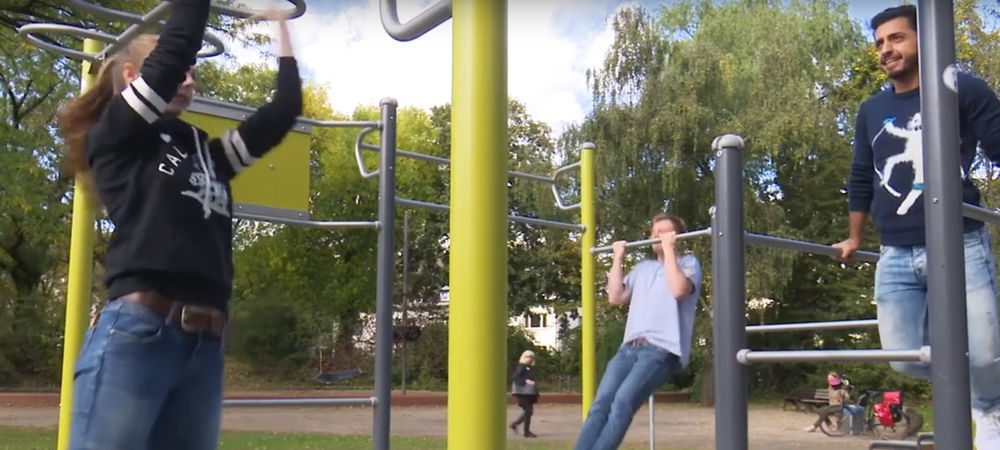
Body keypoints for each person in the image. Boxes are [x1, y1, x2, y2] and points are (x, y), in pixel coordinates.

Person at [56, 1, 302, 448]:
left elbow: (283, 112)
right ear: (132, 77)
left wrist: (281, 28)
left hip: (204, 350)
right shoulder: (117, 136)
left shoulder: (207, 152)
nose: (189, 79)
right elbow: (173, 54)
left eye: (194, 72)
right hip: (139, 332)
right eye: (180, 71)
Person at [833, 5, 1000, 448]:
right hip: (895, 250)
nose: (887, 50)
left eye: (897, 38)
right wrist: (854, 237)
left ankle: (989, 409)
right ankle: (968, 390)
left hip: (959, 239)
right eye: (880, 43)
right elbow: (861, 176)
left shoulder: (961, 89)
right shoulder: (872, 109)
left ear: (923, 39)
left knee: (986, 353)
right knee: (903, 357)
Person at [574, 213, 702, 450]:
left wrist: (670, 251)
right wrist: (618, 259)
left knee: (622, 402)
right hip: (629, 347)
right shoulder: (643, 268)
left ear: (676, 237)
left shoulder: (688, 264)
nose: (657, 236)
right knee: (600, 405)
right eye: (655, 232)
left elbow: (678, 290)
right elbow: (615, 297)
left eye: (664, 231)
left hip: (660, 350)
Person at [510, 349, 540, 438]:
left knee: (528, 412)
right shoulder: (521, 367)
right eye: (528, 357)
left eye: (531, 357)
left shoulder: (528, 367)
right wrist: (525, 381)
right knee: (528, 411)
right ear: (523, 357)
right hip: (523, 394)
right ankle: (526, 432)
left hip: (528, 394)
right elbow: (516, 377)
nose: (530, 359)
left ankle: (515, 425)